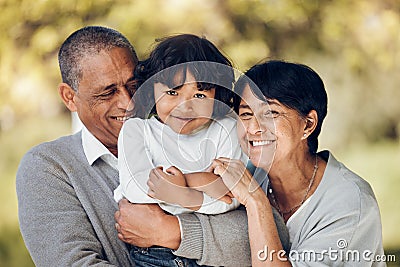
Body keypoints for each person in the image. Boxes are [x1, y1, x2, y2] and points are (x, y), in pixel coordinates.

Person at [211, 60, 385, 266]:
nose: (252, 128)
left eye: (270, 113)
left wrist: (256, 202)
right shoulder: (248, 177)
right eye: (246, 114)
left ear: (308, 124)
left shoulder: (350, 202)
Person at [115, 34, 246, 266]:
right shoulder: (137, 131)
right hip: (155, 256)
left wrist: (181, 187)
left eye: (199, 95)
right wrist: (203, 185)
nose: (185, 106)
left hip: (217, 254)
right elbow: (135, 191)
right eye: (172, 92)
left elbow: (231, 200)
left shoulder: (227, 129)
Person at [16, 26, 138, 266]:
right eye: (108, 92)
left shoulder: (181, 138)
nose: (129, 102)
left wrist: (176, 233)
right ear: (70, 98)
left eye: (133, 85)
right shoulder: (47, 167)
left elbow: (235, 235)